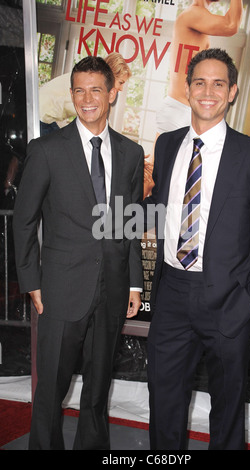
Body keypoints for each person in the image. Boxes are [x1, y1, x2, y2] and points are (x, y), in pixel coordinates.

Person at [142, 48, 250, 450]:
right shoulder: (168, 145)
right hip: (171, 294)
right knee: (164, 401)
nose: (208, 91)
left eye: (218, 83)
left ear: (232, 92)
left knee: (226, 408)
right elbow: (162, 209)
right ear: (188, 90)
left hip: (229, 299)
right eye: (200, 82)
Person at [13, 56, 144, 450]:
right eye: (79, 90)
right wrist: (31, 282)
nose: (87, 99)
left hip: (112, 291)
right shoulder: (47, 150)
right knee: (50, 391)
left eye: (96, 90)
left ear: (112, 93)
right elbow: (23, 220)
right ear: (72, 95)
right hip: (60, 290)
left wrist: (135, 284)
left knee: (97, 393)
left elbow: (130, 225)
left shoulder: (131, 153)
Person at [145, 0, 243, 198]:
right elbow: (231, 25)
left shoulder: (196, 16)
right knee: (164, 182)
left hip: (179, 109)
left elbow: (229, 22)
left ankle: (126, 223)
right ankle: (122, 222)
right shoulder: (193, 14)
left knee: (157, 180)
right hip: (180, 110)